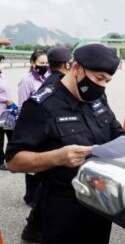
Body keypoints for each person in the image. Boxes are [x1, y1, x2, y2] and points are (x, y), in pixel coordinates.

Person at [6, 44, 125, 244]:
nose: (102, 86)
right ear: (76, 68)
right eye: (98, 79)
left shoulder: (97, 97)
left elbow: (116, 131)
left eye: (107, 81)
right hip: (62, 208)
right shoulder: (42, 105)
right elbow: (14, 161)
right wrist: (57, 157)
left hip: (99, 204)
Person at [20, 46, 72, 243]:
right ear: (68, 64)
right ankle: (33, 225)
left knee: (44, 184)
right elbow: (27, 108)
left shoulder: (48, 81)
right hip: (43, 137)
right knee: (45, 184)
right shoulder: (48, 84)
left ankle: (33, 226)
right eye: (39, 63)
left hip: (45, 137)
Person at [18, 50, 49, 207]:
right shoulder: (27, 81)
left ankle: (39, 194)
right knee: (31, 163)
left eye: (46, 63)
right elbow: (23, 106)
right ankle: (29, 195)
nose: (45, 66)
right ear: (33, 63)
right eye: (41, 63)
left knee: (43, 161)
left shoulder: (47, 78)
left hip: (45, 126)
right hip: (31, 126)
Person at [0, 55, 16, 170]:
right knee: (0, 139)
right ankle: (1, 162)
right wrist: (4, 99)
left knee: (12, 135)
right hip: (1, 111)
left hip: (7, 110)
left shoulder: (2, 74)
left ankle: (9, 158)